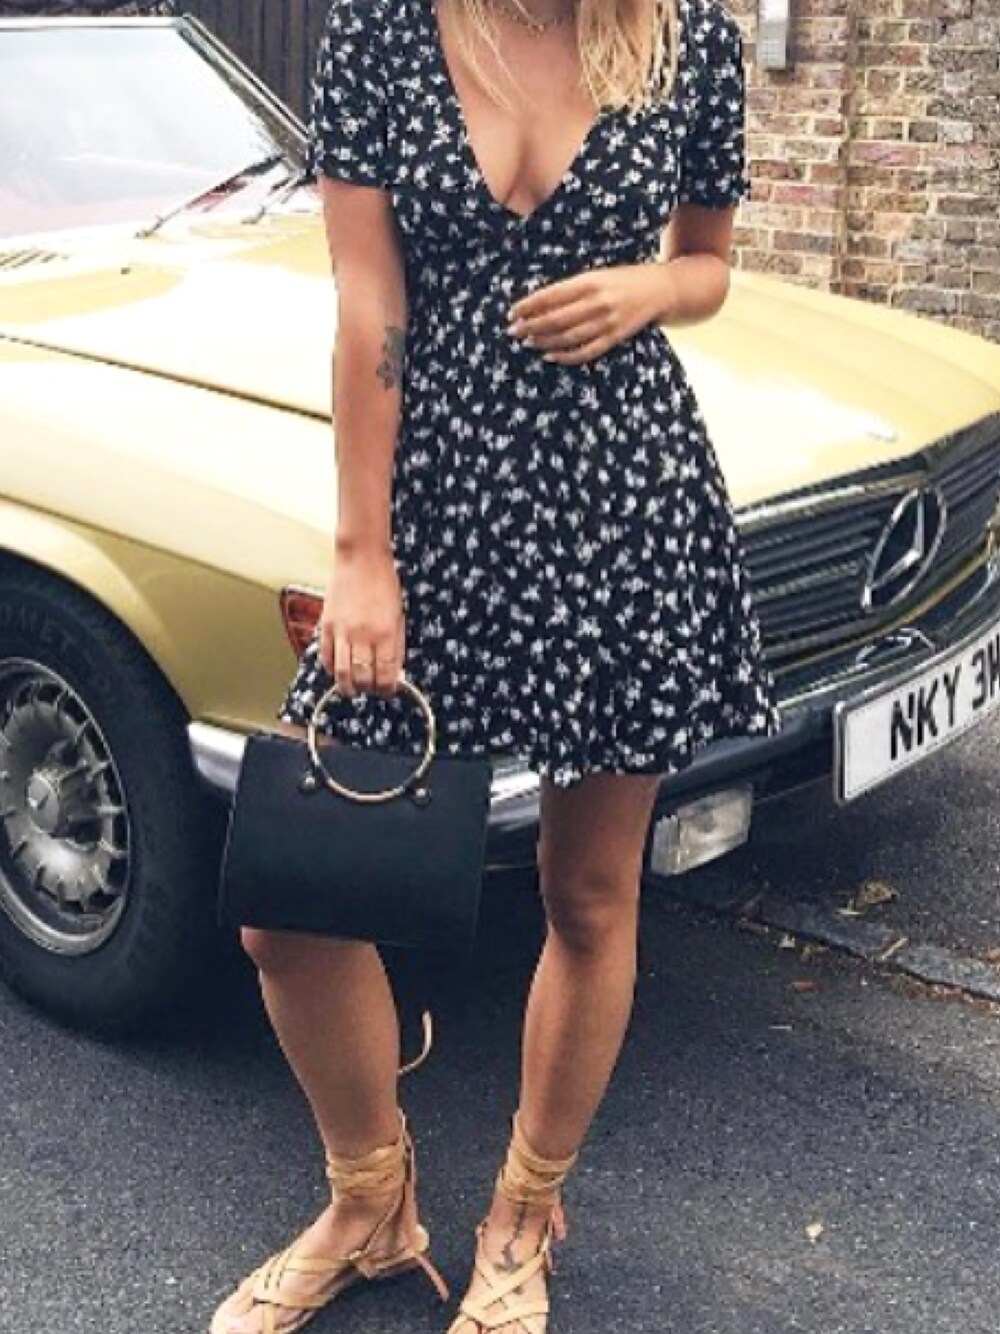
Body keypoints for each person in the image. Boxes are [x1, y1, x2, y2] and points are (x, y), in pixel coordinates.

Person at [209, 0, 782, 1329]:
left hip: (622, 497)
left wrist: (650, 288)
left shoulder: (688, 34)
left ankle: (523, 1217)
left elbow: (708, 264)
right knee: (290, 905)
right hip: (435, 501)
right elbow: (368, 296)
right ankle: (371, 1200)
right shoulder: (382, 29)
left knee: (587, 892)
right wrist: (362, 553)